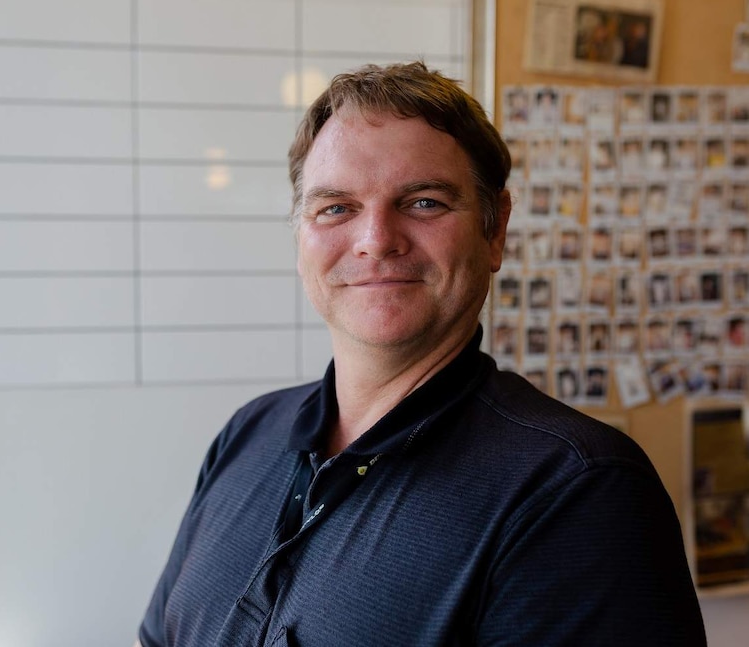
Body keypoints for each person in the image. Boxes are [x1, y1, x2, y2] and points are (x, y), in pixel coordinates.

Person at [135, 62, 705, 646]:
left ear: (495, 231)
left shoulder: (579, 492)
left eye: (425, 202)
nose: (377, 238)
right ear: (300, 234)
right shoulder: (248, 433)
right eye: (336, 207)